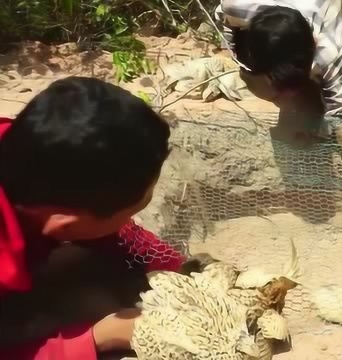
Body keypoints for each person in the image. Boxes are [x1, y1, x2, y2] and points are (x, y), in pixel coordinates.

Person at [0, 76, 206, 360]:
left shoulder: (25, 149)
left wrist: (173, 268)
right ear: (66, 225)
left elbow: (121, 234)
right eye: (131, 212)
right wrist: (101, 337)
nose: (130, 222)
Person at [214, 0, 342, 252]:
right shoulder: (235, 7)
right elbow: (226, 25)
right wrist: (246, 64)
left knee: (322, 101)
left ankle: (299, 93)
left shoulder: (329, 49)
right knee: (269, 86)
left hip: (313, 22)